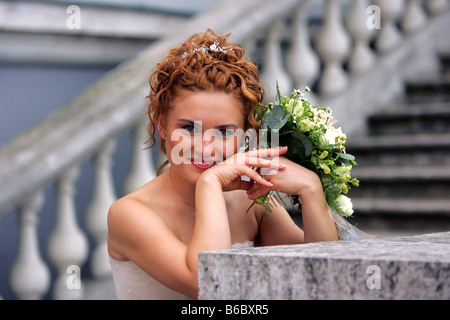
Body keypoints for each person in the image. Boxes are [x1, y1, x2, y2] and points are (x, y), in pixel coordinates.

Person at [107, 29, 338, 300]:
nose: (206, 147)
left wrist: (311, 189)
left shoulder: (251, 203)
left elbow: (322, 276)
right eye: (189, 127)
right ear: (163, 126)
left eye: (225, 132)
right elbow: (207, 284)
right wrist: (210, 184)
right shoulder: (129, 214)